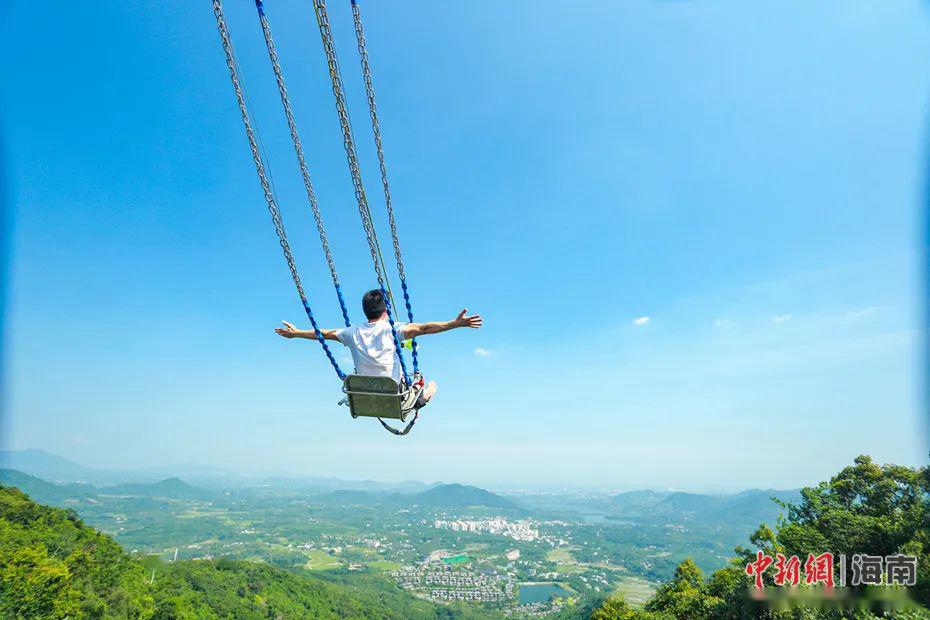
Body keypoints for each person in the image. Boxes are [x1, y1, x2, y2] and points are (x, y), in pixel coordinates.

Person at [275, 289, 482, 408]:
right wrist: (455, 324)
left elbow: (324, 333)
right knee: (431, 386)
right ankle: (422, 397)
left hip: (362, 395)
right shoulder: (394, 330)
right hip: (395, 397)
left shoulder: (351, 333)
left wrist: (298, 333)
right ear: (387, 310)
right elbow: (425, 328)